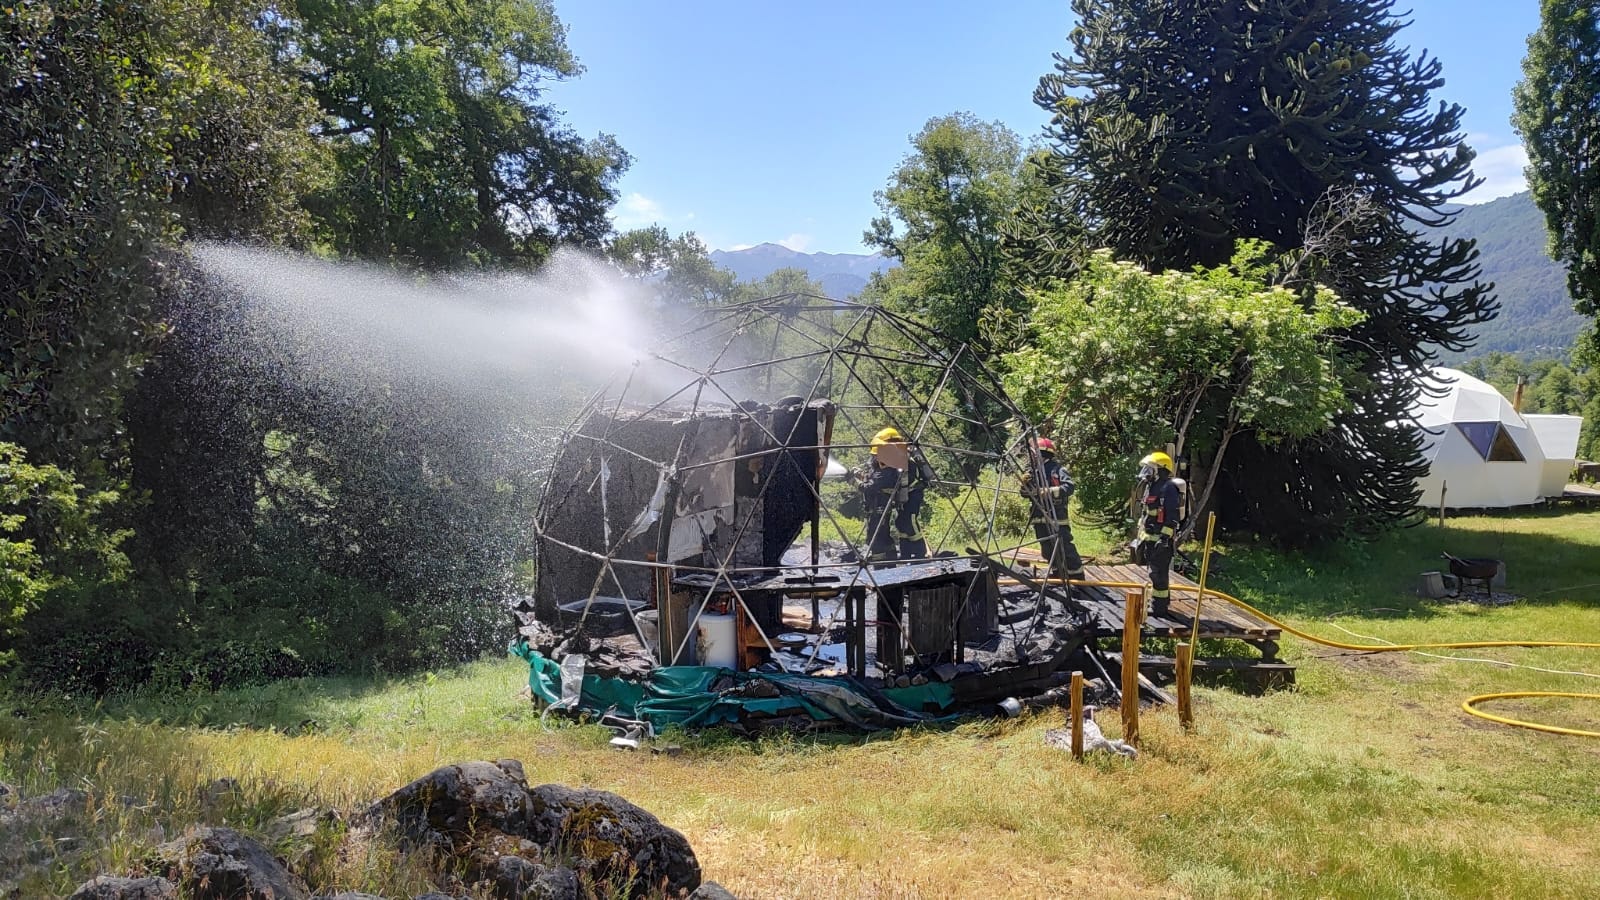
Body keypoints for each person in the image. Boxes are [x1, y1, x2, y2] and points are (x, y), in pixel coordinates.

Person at [857, 427, 931, 561]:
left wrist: (864, 482)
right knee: (901, 522)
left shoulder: (904, 461)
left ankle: (920, 554)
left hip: (914, 493)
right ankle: (906, 555)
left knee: (910, 521)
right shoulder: (894, 460)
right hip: (904, 494)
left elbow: (881, 481)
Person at [1023, 438, 1085, 583]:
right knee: (1047, 549)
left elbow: (1069, 487)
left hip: (1056, 517)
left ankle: (1076, 576)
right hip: (1039, 517)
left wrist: (1048, 491)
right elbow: (1027, 494)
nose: (1031, 456)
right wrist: (1025, 485)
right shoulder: (1033, 472)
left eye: (1033, 453)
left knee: (1064, 547)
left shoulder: (1058, 470)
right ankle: (1058, 573)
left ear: (1041, 453)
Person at [1135, 450, 1183, 618]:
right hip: (1149, 538)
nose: (1147, 472)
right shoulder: (1152, 487)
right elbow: (1147, 513)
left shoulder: (1168, 488)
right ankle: (1158, 603)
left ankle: (1159, 609)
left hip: (1160, 541)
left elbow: (1172, 517)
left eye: (1151, 468)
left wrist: (1164, 538)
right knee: (1153, 573)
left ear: (1161, 469)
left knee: (1158, 574)